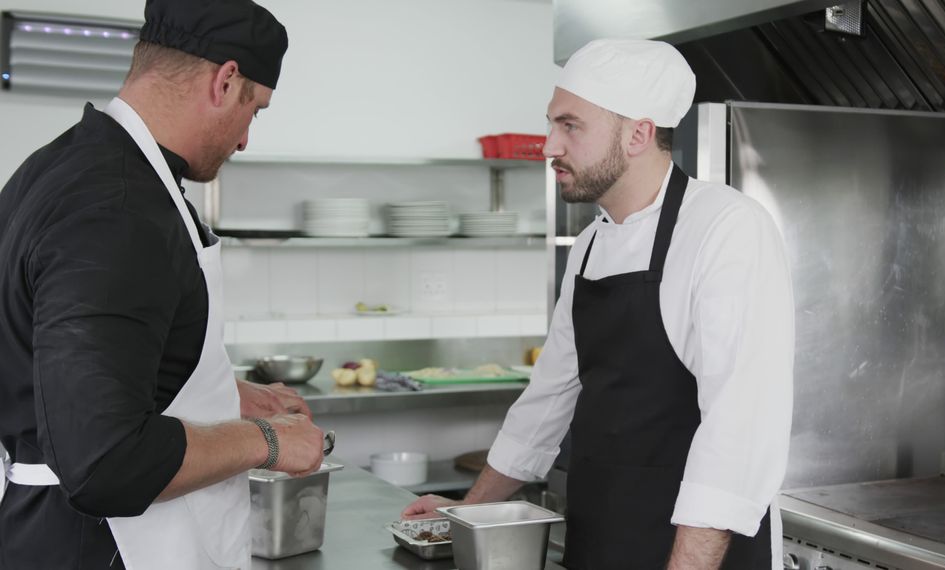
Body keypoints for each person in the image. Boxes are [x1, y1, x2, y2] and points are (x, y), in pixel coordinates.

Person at [403, 39, 795, 569]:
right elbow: (547, 399)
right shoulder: (590, 245)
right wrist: (469, 511)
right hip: (603, 537)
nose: (548, 146)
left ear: (639, 133)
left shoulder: (725, 228)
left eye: (570, 126)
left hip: (696, 552)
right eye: (551, 124)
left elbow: (739, 427)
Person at [0, 0, 326, 568]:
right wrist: (267, 440)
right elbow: (106, 461)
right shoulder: (118, 209)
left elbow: (63, 370)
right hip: (99, 546)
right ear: (225, 80)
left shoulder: (58, 167)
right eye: (256, 109)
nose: (246, 139)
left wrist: (223, 393)